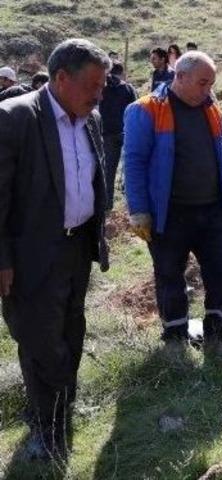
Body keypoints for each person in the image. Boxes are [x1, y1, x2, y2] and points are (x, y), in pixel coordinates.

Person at [0, 38, 111, 459]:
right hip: (30, 256)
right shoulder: (14, 118)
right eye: (93, 85)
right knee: (40, 339)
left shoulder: (91, 117)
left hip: (76, 246)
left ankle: (61, 412)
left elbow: (94, 178)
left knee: (70, 330)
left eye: (103, 85)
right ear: (62, 79)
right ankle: (44, 429)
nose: (100, 94)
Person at [123, 51, 222, 363]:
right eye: (203, 83)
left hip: (211, 211)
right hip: (168, 215)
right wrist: (138, 211)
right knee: (169, 276)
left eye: (211, 83)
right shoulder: (145, 110)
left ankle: (216, 338)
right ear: (180, 76)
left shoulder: (211, 109)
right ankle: (174, 340)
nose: (208, 89)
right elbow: (133, 163)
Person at [98, 62, 137, 211]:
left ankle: (107, 204)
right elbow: (135, 110)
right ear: (121, 72)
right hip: (126, 132)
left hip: (107, 132)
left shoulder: (102, 86)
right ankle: (131, 205)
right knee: (130, 169)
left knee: (109, 170)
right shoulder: (127, 88)